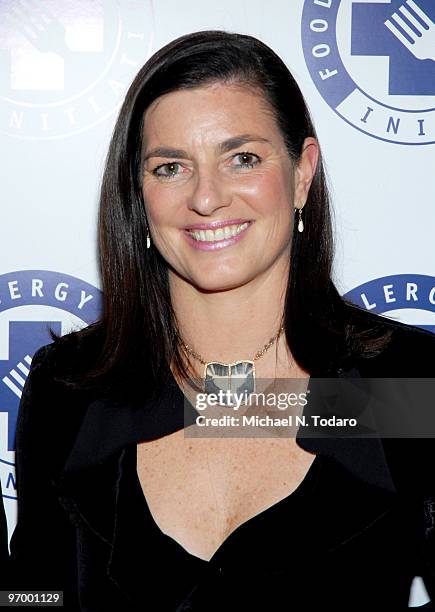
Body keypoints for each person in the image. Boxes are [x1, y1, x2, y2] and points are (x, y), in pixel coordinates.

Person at [5, 30, 435, 611]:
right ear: (139, 192)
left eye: (243, 158)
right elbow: (34, 594)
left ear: (302, 173)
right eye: (170, 167)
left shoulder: (401, 386)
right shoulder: (73, 388)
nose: (206, 198)